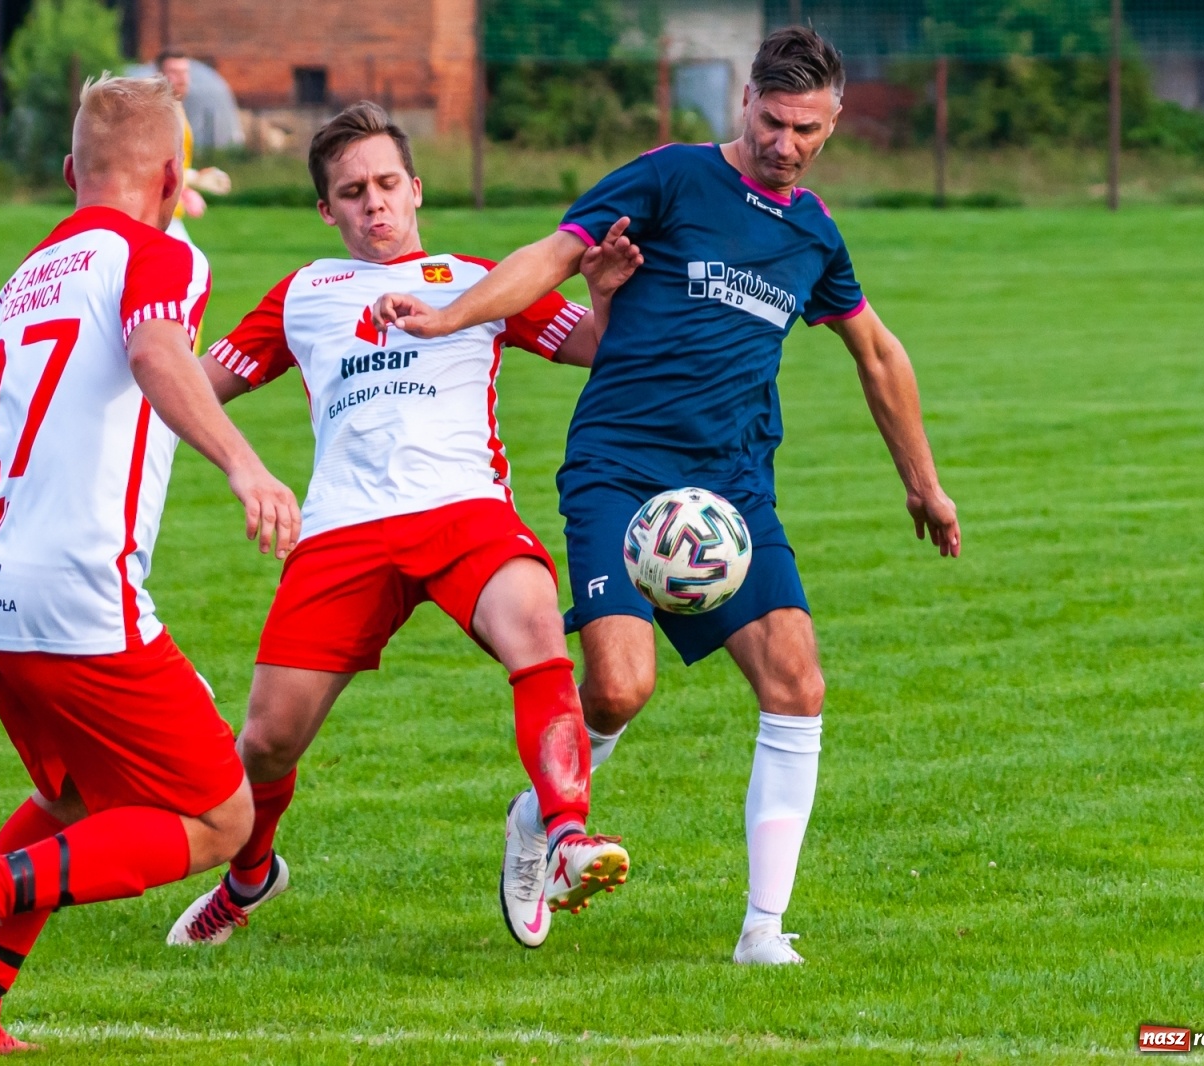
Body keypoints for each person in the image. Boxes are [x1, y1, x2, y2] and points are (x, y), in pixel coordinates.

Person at [371, 27, 961, 966]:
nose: (786, 144)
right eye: (772, 121)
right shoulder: (670, 176)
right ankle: (539, 821)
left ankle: (764, 931)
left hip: (730, 495)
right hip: (620, 470)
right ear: (745, 103)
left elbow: (878, 354)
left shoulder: (815, 236)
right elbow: (551, 256)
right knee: (618, 686)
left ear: (833, 122)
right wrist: (449, 316)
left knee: (797, 685)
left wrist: (924, 486)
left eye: (807, 129)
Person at [163, 102, 642, 951]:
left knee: (536, 623)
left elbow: (601, 351)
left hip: (465, 512)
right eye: (352, 192)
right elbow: (198, 387)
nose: (373, 203)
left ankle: (563, 832)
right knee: (266, 743)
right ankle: (250, 876)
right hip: (344, 530)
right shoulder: (304, 294)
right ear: (327, 210)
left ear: (416, 189)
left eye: (387, 183)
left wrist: (602, 293)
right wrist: (147, 354)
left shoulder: (478, 278)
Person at [0, 74, 299, 1053]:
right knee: (217, 816)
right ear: (173, 174)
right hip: (71, 588)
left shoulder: (25, 275)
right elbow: (160, 351)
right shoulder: (160, 251)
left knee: (75, 796)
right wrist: (245, 462)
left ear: (71, 169)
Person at [157, 49, 233, 246]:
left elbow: (171, 163)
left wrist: (192, 180)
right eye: (174, 72)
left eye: (185, 72)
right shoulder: (159, 114)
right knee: (192, 268)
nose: (181, 78)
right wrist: (191, 182)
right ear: (158, 76)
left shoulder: (176, 109)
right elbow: (154, 165)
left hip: (168, 213)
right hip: (156, 214)